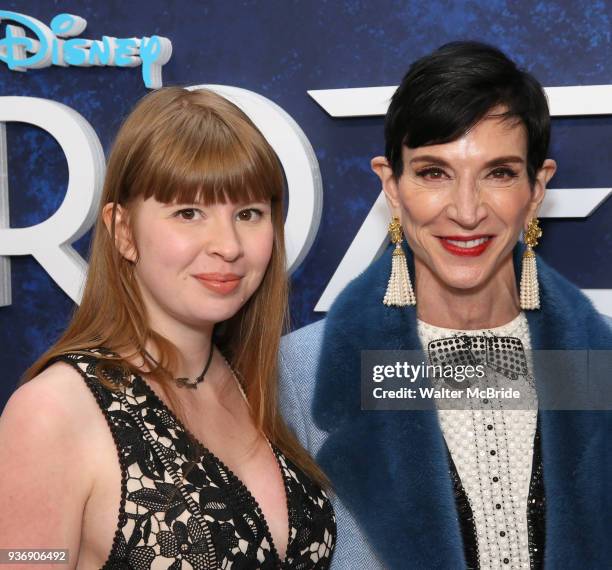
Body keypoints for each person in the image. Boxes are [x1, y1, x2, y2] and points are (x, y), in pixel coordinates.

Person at [279, 42, 611, 569]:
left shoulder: (601, 360)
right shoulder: (301, 375)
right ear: (392, 185)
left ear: (536, 187)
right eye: (434, 172)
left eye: (498, 172)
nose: (466, 210)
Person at [0, 87, 336, 569]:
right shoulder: (50, 414)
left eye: (248, 214)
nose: (228, 245)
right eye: (188, 212)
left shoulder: (253, 382)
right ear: (123, 231)